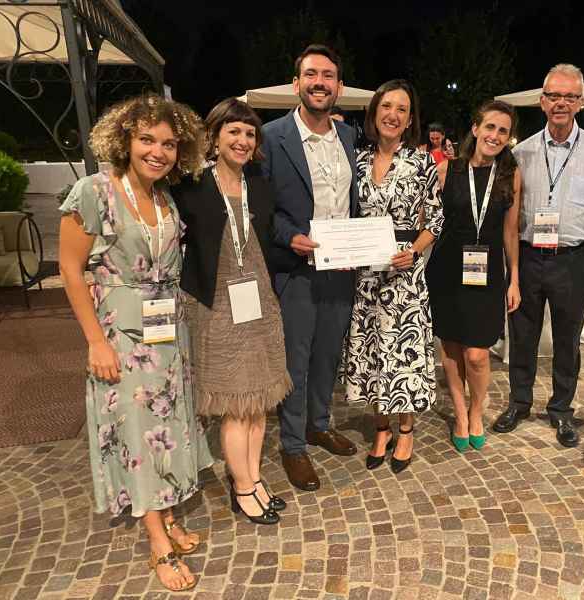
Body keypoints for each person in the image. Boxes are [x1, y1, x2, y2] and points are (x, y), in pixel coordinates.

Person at [58, 95, 212, 592]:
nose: (157, 152)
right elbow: (70, 270)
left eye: (168, 144)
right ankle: (158, 542)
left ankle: (167, 514)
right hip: (120, 336)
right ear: (124, 139)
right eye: (147, 139)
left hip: (167, 334)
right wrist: (95, 342)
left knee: (166, 426)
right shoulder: (94, 191)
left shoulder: (165, 196)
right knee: (139, 434)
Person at [172, 98, 290, 525]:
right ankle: (242, 488)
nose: (242, 140)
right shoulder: (191, 185)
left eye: (249, 133)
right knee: (236, 405)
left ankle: (254, 478)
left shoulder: (260, 184)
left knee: (258, 403)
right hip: (216, 307)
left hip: (259, 304)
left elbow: (270, 238)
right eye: (233, 131)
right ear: (215, 136)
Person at [491, 64, 584, 448]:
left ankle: (561, 409)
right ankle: (519, 402)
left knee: (567, 340)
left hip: (573, 259)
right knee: (522, 334)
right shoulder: (521, 152)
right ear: (542, 101)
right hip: (527, 256)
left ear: (580, 102)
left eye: (570, 97)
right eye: (554, 96)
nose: (562, 103)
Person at [261, 44, 358, 492]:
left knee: (328, 354)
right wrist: (288, 237)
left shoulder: (349, 136)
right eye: (312, 74)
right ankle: (293, 444)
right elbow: (264, 208)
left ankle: (320, 424)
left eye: (329, 75)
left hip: (341, 266)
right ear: (296, 82)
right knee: (295, 360)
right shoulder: (271, 136)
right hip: (298, 267)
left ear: (339, 85)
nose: (320, 82)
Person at [344, 79, 443, 473]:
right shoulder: (357, 160)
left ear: (410, 119)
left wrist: (414, 251)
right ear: (374, 112)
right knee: (372, 352)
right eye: (387, 106)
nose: (393, 115)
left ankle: (405, 430)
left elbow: (436, 219)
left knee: (402, 353)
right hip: (367, 274)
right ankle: (381, 428)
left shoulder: (421, 162)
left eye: (402, 109)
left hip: (404, 272)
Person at [426, 100, 521, 452]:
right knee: (451, 349)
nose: (495, 135)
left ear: (508, 138)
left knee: (478, 354)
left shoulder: (510, 175)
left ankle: (477, 409)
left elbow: (510, 231)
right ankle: (460, 414)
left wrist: (514, 278)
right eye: (490, 127)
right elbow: (429, 222)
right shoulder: (446, 170)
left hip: (487, 274)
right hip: (447, 271)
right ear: (476, 128)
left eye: (503, 131)